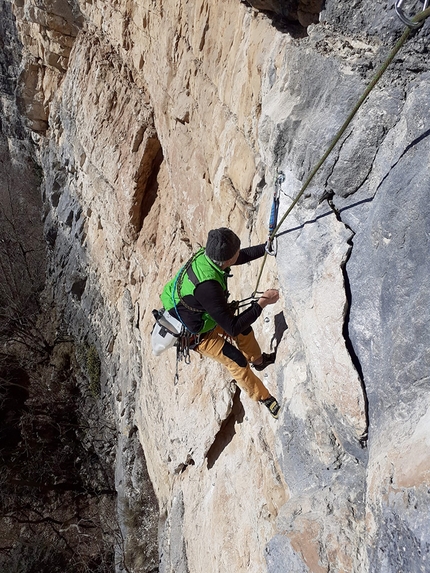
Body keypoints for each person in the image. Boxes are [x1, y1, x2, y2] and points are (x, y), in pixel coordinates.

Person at [160, 228, 280, 418]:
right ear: (226, 260)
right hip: (197, 335)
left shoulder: (208, 256)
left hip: (205, 314)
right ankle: (264, 397)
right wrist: (262, 303)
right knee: (236, 360)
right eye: (235, 254)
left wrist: (265, 248)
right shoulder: (207, 287)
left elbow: (237, 257)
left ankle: (258, 361)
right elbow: (231, 327)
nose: (237, 255)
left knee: (245, 330)